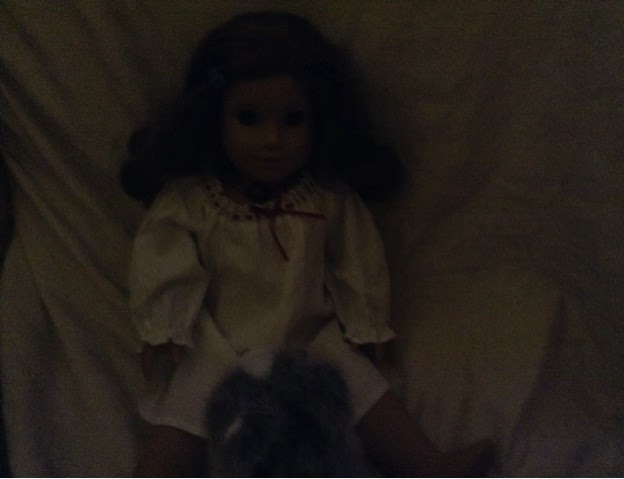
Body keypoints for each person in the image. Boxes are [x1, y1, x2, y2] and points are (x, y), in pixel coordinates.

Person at [121, 11, 494, 476]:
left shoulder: (325, 198)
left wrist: (364, 322)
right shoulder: (193, 200)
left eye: (293, 120)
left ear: (320, 119)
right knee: (184, 411)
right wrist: (165, 326)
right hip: (221, 341)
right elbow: (164, 259)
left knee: (363, 387)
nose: (271, 139)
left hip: (308, 335)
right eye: (249, 118)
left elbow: (357, 259)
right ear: (214, 116)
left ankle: (429, 465)